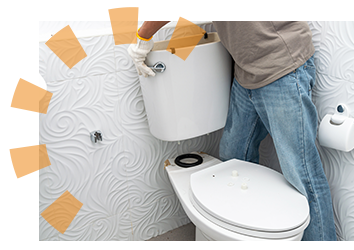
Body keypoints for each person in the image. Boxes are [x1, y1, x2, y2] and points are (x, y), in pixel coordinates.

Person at [128, 21, 337, 241]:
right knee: (233, 159)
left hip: (281, 68)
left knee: (303, 174)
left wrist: (143, 37)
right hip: (246, 73)